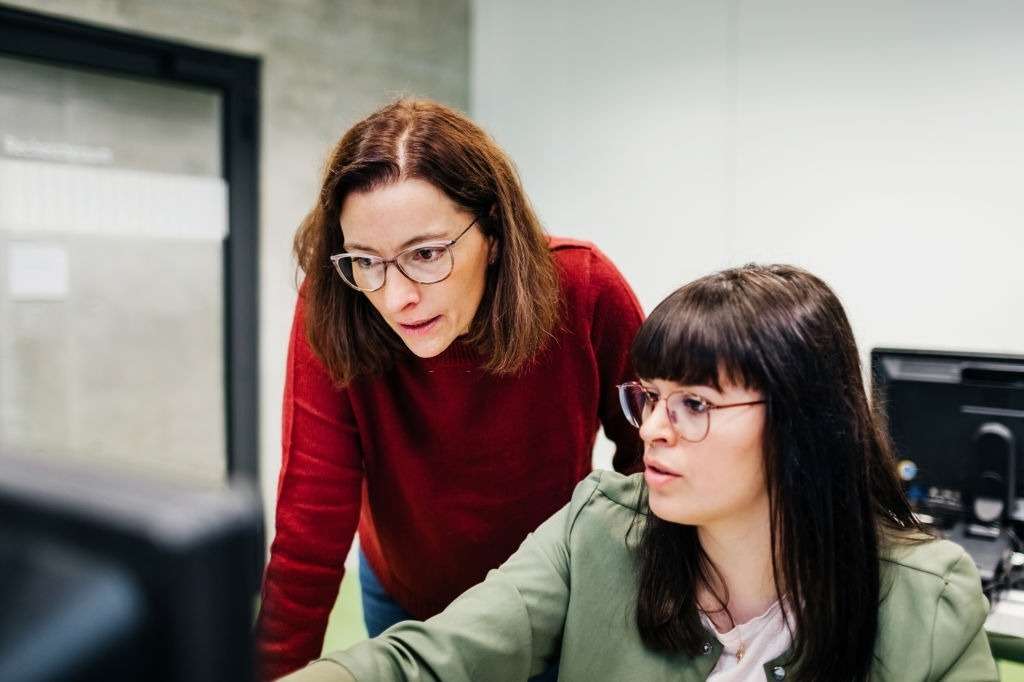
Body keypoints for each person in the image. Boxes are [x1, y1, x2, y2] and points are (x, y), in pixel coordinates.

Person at [278, 264, 998, 682]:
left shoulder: (926, 604)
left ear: (800, 420)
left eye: (694, 403)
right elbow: (429, 661)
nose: (651, 426)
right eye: (650, 396)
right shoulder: (600, 530)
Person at [256, 98, 645, 681]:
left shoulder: (583, 288)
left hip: (546, 598)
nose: (395, 297)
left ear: (491, 231)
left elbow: (652, 455)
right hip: (404, 593)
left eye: (427, 254)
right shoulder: (334, 301)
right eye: (367, 260)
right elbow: (308, 532)